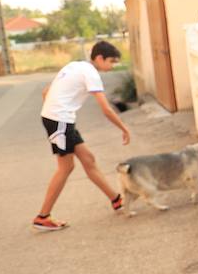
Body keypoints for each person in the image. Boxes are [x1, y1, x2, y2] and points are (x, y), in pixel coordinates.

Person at [33, 40, 130, 231]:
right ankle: (42, 217)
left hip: (61, 120)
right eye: (111, 62)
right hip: (60, 121)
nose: (112, 67)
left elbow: (47, 91)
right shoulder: (91, 73)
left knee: (88, 159)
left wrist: (56, 111)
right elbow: (106, 110)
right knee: (66, 167)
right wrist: (124, 129)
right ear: (99, 58)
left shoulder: (75, 65)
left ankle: (116, 199)